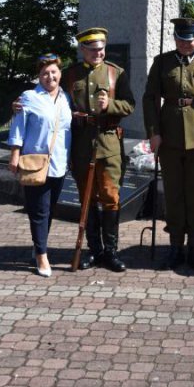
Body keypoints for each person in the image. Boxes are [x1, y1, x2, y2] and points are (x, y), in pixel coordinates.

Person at [142, 17, 194, 271]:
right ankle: (175, 246)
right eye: (181, 39)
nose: (186, 44)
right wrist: (154, 133)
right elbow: (150, 99)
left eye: (190, 39)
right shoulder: (162, 62)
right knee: (174, 193)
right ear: (175, 38)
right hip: (169, 136)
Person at [65, 26, 136, 272]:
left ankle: (111, 252)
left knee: (110, 197)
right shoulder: (71, 74)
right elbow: (54, 100)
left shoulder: (117, 73)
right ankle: (94, 251)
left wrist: (111, 105)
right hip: (82, 144)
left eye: (102, 49)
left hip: (108, 144)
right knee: (87, 198)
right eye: (93, 49)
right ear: (82, 49)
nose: (99, 53)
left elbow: (130, 105)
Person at [8, 53, 73, 277]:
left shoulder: (66, 98)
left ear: (60, 73)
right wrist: (14, 155)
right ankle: (41, 256)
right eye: (45, 73)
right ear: (39, 75)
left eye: (54, 72)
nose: (50, 76)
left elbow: (67, 130)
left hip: (59, 163)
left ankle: (38, 246)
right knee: (39, 211)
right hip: (35, 162)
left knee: (50, 209)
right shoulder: (27, 97)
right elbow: (18, 127)